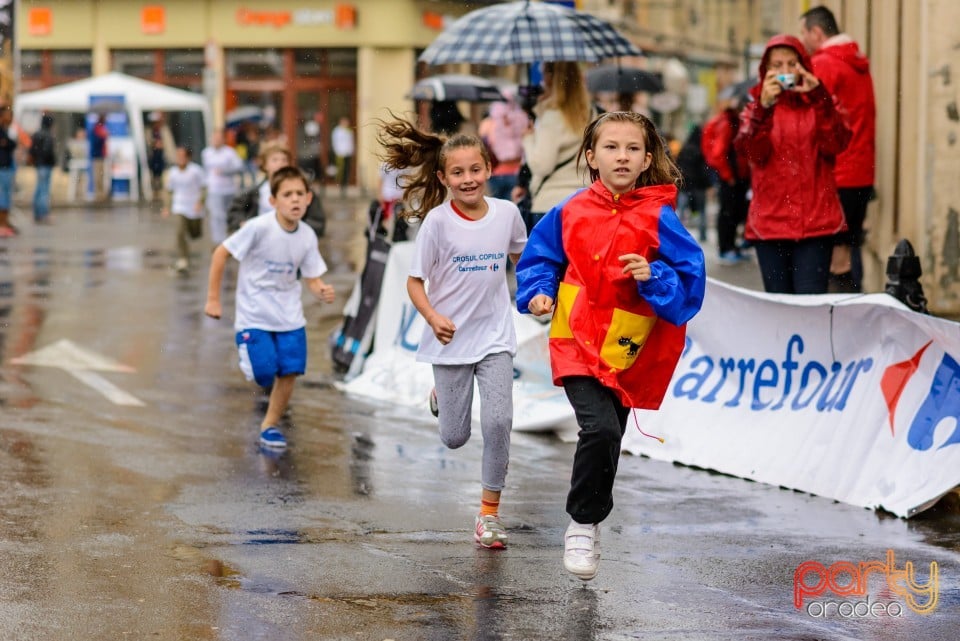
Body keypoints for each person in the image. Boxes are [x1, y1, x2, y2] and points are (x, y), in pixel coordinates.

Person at [515, 111, 706, 581]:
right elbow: (540, 259)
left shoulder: (661, 216)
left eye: (632, 149)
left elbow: (690, 283)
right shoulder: (570, 210)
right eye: (611, 147)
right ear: (591, 156)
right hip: (574, 338)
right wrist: (538, 291)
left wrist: (654, 275)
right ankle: (582, 521)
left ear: (646, 160)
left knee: (611, 436)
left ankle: (591, 517)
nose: (622, 156)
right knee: (598, 430)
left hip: (625, 348)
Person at [378, 116, 527, 550]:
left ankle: (489, 514)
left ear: (489, 169)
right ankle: (442, 397)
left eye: (475, 170)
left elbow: (524, 259)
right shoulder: (438, 224)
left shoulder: (507, 215)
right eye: (458, 173)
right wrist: (432, 317)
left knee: (499, 420)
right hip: (451, 340)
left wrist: (541, 293)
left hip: (496, 336)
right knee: (454, 437)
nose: (468, 180)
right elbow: (414, 281)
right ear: (443, 177)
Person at [204, 165, 336, 450]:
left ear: (309, 198)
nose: (295, 199)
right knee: (264, 373)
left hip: (290, 316)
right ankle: (246, 348)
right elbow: (220, 254)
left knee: (289, 371)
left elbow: (311, 276)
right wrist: (213, 298)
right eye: (287, 194)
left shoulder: (308, 236)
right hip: (255, 315)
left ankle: (270, 426)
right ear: (273, 200)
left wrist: (320, 289)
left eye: (300, 193)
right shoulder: (258, 228)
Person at [734, 35, 851, 295]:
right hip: (770, 226)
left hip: (816, 225)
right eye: (777, 65)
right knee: (779, 311)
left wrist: (820, 97)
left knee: (809, 308)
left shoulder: (821, 102)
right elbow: (752, 152)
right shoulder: (754, 108)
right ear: (766, 71)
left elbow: (837, 143)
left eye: (792, 63)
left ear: (803, 66)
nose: (785, 72)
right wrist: (764, 108)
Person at [800, 5, 876, 293]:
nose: (803, 41)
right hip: (861, 169)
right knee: (850, 247)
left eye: (804, 34)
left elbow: (811, 119)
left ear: (817, 33)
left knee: (834, 258)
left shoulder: (825, 65)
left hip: (837, 172)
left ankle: (840, 324)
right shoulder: (856, 63)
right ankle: (855, 316)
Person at [516, 61, 594, 233]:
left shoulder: (553, 116)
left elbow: (542, 166)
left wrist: (528, 140)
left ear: (552, 78)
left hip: (550, 205)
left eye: (544, 74)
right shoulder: (593, 114)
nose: (542, 80)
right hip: (585, 202)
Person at [226, 140, 326, 238]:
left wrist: (296, 229)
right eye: (275, 160)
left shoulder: (303, 190)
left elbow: (317, 222)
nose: (280, 164)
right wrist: (244, 224)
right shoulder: (254, 192)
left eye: (284, 160)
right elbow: (234, 213)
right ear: (265, 165)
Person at [702, 87, 752, 264]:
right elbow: (719, 153)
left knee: (734, 212)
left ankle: (731, 246)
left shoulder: (734, 122)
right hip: (731, 178)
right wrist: (728, 175)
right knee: (729, 213)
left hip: (737, 177)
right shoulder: (729, 124)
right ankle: (726, 248)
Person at [161, 146, 206, 272]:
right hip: (179, 206)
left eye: (182, 156)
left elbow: (204, 187)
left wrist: (200, 201)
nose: (180, 159)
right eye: (178, 156)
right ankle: (183, 258)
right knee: (180, 232)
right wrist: (167, 207)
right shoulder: (173, 172)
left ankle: (191, 239)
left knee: (194, 234)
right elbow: (169, 191)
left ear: (188, 158)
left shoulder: (196, 171)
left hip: (194, 207)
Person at [478, 94, 529, 201]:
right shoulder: (522, 118)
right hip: (517, 173)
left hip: (496, 172)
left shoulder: (489, 122)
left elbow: (484, 143)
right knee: (514, 210)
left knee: (497, 211)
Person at [201, 128, 243, 245]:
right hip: (214, 189)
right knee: (216, 215)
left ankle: (231, 239)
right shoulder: (206, 153)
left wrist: (225, 171)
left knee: (228, 215)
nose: (216, 140)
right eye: (214, 138)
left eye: (219, 138)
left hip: (228, 189)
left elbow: (239, 167)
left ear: (223, 139)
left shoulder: (230, 152)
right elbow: (206, 171)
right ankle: (219, 241)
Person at [675, 125, 711, 242]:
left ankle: (676, 234)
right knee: (701, 211)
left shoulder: (684, 149)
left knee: (680, 211)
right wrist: (708, 184)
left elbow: (678, 167)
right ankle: (702, 235)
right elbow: (704, 170)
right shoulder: (700, 151)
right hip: (699, 186)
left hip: (685, 185)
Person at [29, 113, 56, 225]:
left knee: (39, 189)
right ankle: (43, 213)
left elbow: (32, 150)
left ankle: (37, 213)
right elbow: (47, 151)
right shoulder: (48, 135)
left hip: (39, 164)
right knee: (44, 190)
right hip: (45, 164)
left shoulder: (36, 134)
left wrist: (36, 159)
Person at [0, 105, 18, 237]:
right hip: (3, 166)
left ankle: (5, 222)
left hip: (7, 165)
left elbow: (10, 143)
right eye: (8, 115)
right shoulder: (2, 130)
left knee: (6, 195)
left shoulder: (7, 130)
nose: (10, 118)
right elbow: (8, 144)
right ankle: (2, 224)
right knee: (3, 195)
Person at [331, 116, 355, 197]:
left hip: (347, 153)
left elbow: (351, 142)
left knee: (346, 170)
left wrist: (351, 151)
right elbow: (335, 142)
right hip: (340, 153)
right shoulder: (337, 131)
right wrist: (337, 151)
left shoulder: (349, 131)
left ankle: (344, 185)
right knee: (340, 169)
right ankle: (339, 184)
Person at [90, 115, 109, 202]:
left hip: (100, 155)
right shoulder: (97, 129)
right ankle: (98, 194)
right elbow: (96, 142)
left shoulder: (99, 129)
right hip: (98, 156)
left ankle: (101, 194)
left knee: (101, 175)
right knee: (98, 176)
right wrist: (103, 138)